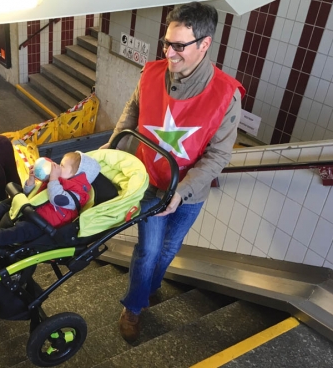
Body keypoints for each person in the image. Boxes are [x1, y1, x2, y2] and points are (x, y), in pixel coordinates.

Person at [101, 2, 245, 341]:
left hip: (188, 193)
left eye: (179, 46)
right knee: (148, 250)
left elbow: (217, 156)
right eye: (167, 43)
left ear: (204, 44)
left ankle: (148, 288)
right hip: (148, 182)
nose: (169, 53)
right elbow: (131, 113)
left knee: (168, 249)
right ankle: (134, 307)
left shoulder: (227, 95)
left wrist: (181, 193)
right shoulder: (151, 73)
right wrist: (111, 152)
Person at [0, 151, 100, 246]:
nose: (58, 167)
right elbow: (31, 195)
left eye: (63, 166)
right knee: (0, 206)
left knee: (21, 231)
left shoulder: (76, 194)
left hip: (41, 224)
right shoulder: (55, 181)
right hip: (30, 210)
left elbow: (57, 199)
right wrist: (31, 180)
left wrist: (53, 179)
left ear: (76, 175)